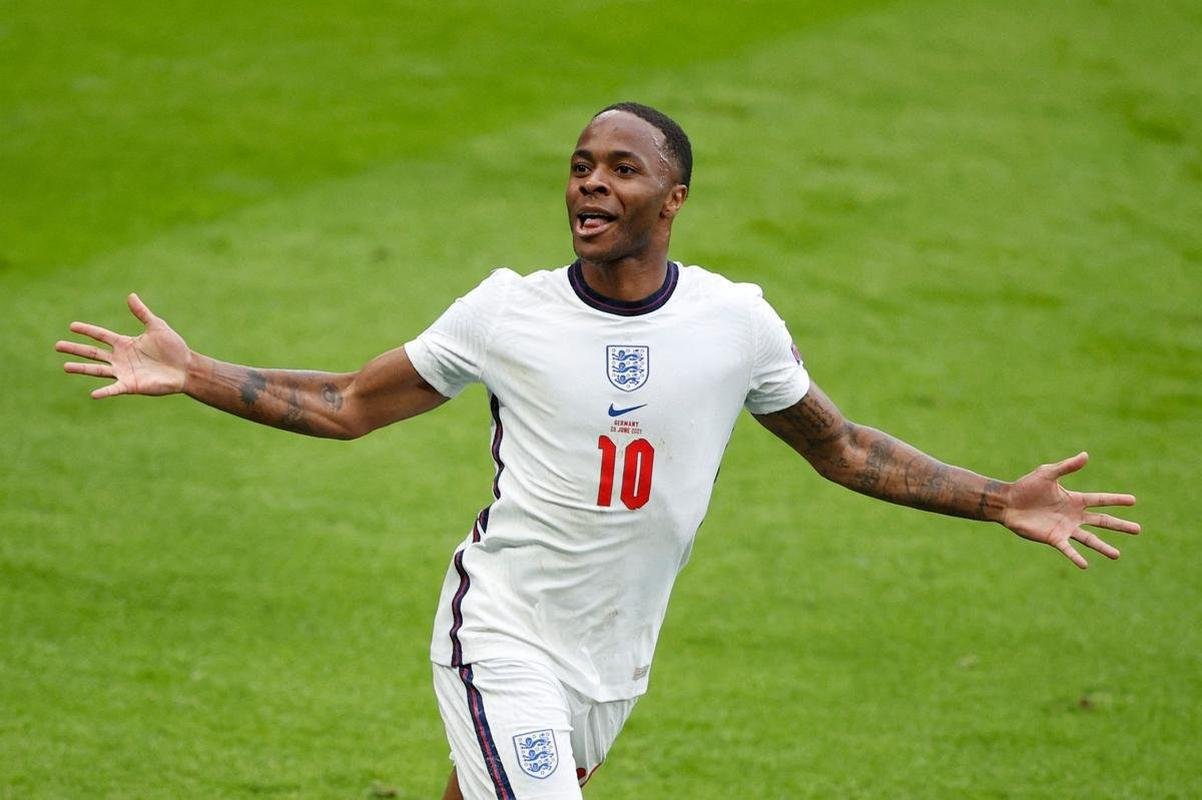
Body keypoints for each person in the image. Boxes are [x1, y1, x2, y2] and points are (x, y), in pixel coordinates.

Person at [57, 102, 1140, 800]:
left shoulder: (736, 323)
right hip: (501, 631)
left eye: (621, 169)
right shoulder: (507, 312)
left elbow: (844, 448)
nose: (590, 183)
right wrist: (194, 372)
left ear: (672, 199)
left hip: (614, 654)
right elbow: (347, 403)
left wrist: (999, 499)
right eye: (580, 166)